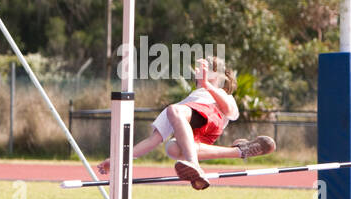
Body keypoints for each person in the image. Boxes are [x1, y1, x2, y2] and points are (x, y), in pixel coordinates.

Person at [96, 56, 275, 190]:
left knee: (173, 110)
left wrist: (207, 85)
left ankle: (193, 164)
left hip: (210, 121)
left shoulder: (220, 94)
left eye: (207, 68)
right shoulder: (183, 105)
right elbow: (152, 142)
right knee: (171, 148)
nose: (200, 70)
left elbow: (229, 111)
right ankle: (239, 151)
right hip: (196, 136)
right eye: (200, 68)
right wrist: (118, 159)